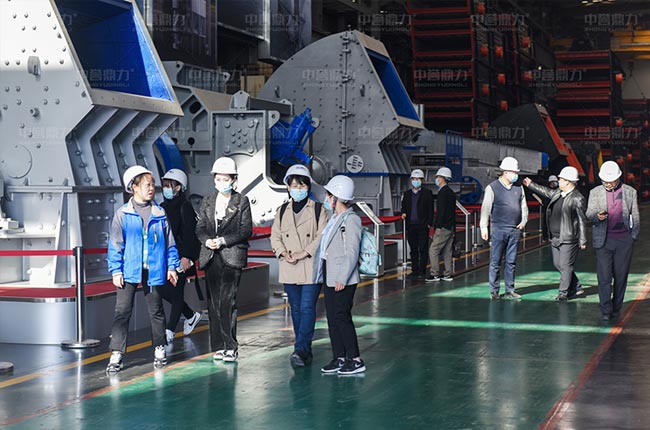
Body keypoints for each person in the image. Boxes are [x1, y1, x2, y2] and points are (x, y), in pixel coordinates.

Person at [106, 166, 180, 373]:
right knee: (122, 311)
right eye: (147, 185)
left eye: (153, 184)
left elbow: (170, 243)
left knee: (156, 310)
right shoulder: (123, 214)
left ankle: (159, 347)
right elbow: (115, 244)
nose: (152, 188)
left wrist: (172, 266)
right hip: (129, 269)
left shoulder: (160, 213)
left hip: (153, 269)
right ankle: (117, 352)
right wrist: (116, 270)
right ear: (134, 187)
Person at [196, 157, 252, 362]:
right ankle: (218, 346)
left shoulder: (241, 201)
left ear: (234, 180)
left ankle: (231, 346)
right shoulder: (207, 201)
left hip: (231, 256)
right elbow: (200, 227)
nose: (221, 182)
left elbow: (246, 230)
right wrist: (207, 240)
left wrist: (222, 241)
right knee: (213, 303)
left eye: (225, 179)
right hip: (211, 256)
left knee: (227, 301)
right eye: (218, 179)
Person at [270, 164, 328, 367]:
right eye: (294, 185)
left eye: (302, 185)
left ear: (308, 187)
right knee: (295, 308)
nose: (298, 189)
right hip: (289, 265)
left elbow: (322, 236)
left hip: (310, 265)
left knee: (307, 307)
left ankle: (300, 348)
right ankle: (304, 350)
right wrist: (283, 253)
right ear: (288, 187)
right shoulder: (282, 211)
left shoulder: (319, 209)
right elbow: (275, 236)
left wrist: (304, 252)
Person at [313, 175, 366, 375]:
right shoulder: (334, 218)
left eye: (329, 195)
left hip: (343, 277)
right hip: (330, 274)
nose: (327, 198)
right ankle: (339, 357)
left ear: (337, 197)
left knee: (342, 316)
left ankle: (355, 359)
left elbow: (351, 252)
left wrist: (342, 278)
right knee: (332, 317)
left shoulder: (351, 220)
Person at [523, 167, 588, 301]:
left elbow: (582, 220)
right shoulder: (559, 192)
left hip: (568, 237)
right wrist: (531, 185)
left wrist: (582, 240)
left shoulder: (577, 198)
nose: (559, 181)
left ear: (568, 182)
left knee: (565, 266)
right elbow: (546, 192)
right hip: (555, 236)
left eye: (561, 179)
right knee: (558, 264)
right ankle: (576, 286)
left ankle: (563, 293)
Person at [586, 161, 639, 321]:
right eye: (605, 181)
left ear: (618, 178)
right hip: (603, 241)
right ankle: (605, 309)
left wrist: (632, 237)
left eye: (611, 181)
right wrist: (597, 216)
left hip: (624, 241)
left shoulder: (630, 192)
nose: (608, 184)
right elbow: (589, 213)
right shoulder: (595, 192)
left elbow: (635, 216)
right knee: (604, 277)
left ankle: (616, 308)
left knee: (620, 277)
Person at [158, 168, 203, 344]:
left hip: (181, 256)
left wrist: (187, 257)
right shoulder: (162, 207)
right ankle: (191, 315)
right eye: (164, 185)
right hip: (165, 257)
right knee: (162, 290)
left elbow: (190, 234)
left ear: (178, 187)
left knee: (176, 292)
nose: (166, 188)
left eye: (169, 185)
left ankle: (170, 330)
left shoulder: (185, 207)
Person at [480, 157, 528, 300]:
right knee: (495, 261)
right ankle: (494, 291)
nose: (516, 175)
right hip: (499, 229)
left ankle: (510, 289)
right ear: (505, 172)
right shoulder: (492, 188)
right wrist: (484, 227)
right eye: (514, 172)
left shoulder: (518, 188)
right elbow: (486, 209)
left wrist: (523, 221)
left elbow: (524, 207)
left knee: (511, 262)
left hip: (514, 230)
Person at [400, 169, 434, 278]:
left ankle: (422, 271)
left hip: (423, 225)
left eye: (418, 179)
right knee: (413, 249)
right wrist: (403, 213)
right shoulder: (407, 194)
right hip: (411, 225)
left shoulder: (427, 193)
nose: (416, 181)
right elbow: (404, 207)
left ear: (422, 180)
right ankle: (414, 270)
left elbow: (430, 209)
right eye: (414, 179)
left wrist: (429, 224)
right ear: (411, 180)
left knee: (423, 248)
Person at [426, 167, 456, 282]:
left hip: (443, 227)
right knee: (447, 251)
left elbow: (441, 212)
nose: (437, 179)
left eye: (438, 177)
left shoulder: (442, 193)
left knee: (433, 250)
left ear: (443, 178)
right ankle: (448, 273)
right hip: (450, 226)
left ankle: (434, 273)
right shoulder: (451, 192)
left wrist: (436, 226)